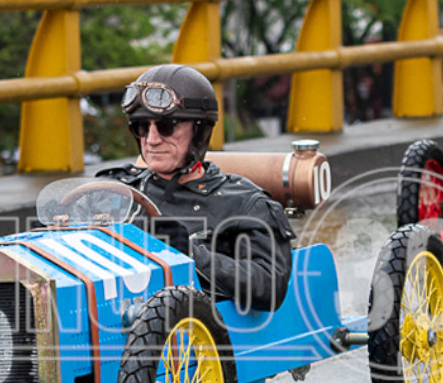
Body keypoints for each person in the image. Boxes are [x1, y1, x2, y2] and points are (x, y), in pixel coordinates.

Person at [95, 64, 295, 311]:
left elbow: (270, 286)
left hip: (194, 337)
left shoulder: (244, 202)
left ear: (199, 130)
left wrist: (189, 254)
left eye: (166, 126)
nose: (153, 139)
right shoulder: (118, 189)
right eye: (142, 127)